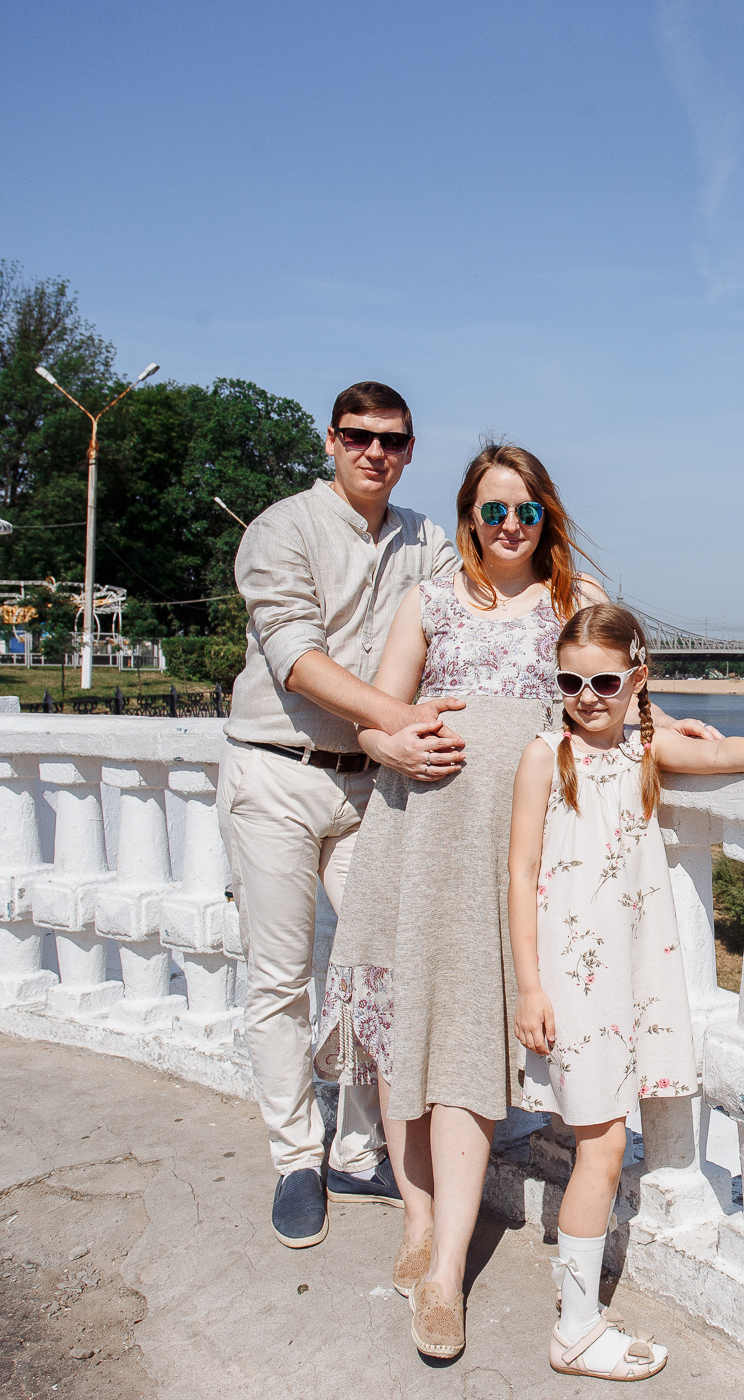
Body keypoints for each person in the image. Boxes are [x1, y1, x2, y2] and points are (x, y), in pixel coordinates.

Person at [321, 443, 717, 1360]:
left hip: (519, 852)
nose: (508, 526)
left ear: (547, 517)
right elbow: (378, 713)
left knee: (465, 1042)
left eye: (525, 511)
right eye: (491, 510)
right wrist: (392, 749)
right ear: (468, 517)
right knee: (403, 1030)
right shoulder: (427, 599)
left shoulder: (574, 600)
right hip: (422, 833)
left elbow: (618, 694)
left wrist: (703, 731)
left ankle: (445, 1269)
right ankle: (417, 1221)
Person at [510, 603, 744, 1381]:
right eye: (570, 681)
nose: (587, 696)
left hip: (629, 976)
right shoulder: (545, 755)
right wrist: (529, 988)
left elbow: (725, 754)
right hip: (573, 981)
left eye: (605, 681)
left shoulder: (644, 748)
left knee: (604, 1143)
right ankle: (574, 1330)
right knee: (603, 1146)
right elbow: (516, 874)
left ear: (636, 681)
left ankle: (577, 1315)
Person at [220, 381, 474, 1252]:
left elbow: (467, 623)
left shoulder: (427, 540)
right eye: (359, 436)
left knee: (382, 965)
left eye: (393, 441)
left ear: (410, 450)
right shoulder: (281, 528)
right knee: (283, 979)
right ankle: (296, 1156)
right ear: (330, 441)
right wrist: (396, 724)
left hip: (374, 787)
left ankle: (358, 1146)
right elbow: (296, 658)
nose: (376, 453)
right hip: (278, 776)